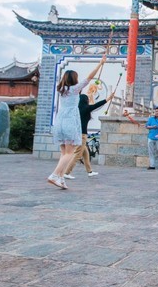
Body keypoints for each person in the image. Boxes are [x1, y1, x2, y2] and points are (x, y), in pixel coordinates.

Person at [48, 55, 106, 189]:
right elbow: (90, 78)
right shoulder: (74, 89)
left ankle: (61, 179)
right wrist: (100, 63)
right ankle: (55, 175)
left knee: (64, 153)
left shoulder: (61, 90)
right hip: (70, 122)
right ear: (74, 79)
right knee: (70, 153)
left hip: (60, 121)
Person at [63, 85, 115, 179]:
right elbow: (96, 105)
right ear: (85, 101)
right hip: (82, 134)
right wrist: (108, 99)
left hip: (77, 133)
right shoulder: (86, 109)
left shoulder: (77, 109)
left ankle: (89, 171)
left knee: (85, 153)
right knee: (78, 154)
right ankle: (67, 172)